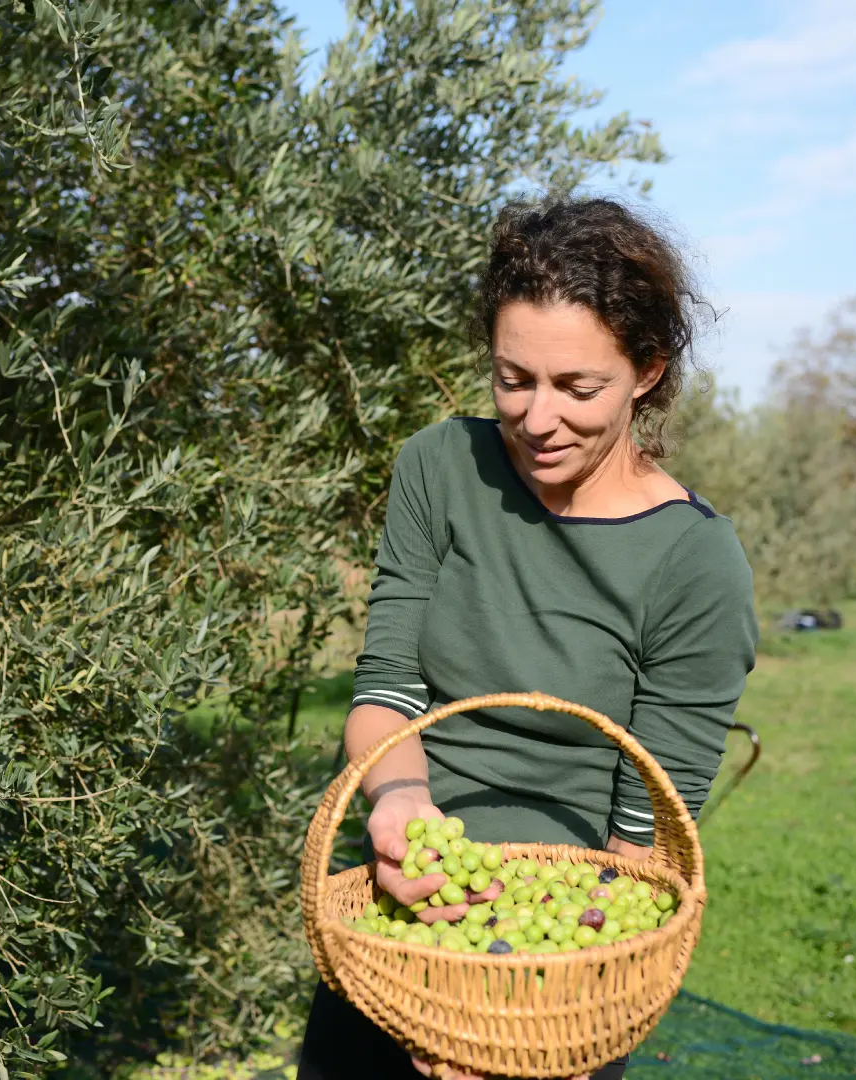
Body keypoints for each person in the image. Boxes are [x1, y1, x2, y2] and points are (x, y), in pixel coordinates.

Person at [295, 194, 759, 1080]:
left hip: (563, 961)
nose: (538, 418)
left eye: (579, 388)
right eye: (514, 379)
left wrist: (549, 1007)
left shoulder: (695, 563)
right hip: (402, 917)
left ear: (648, 370)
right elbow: (387, 689)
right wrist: (396, 803)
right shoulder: (439, 468)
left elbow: (646, 835)